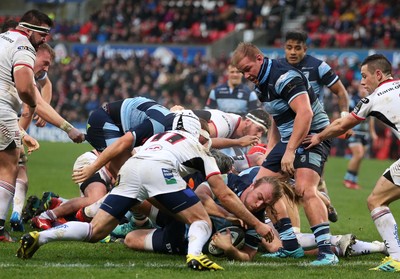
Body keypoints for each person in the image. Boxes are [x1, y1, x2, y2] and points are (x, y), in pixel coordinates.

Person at [17, 110, 274, 271]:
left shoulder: (156, 137)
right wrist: (256, 224)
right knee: (201, 220)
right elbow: (225, 195)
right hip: (159, 171)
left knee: (96, 231)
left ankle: (42, 237)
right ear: (198, 131)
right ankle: (194, 256)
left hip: (133, 166)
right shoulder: (198, 148)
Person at [231, 42, 337, 266]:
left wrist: (289, 152)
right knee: (259, 187)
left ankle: (327, 252)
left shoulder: (284, 77)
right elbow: (277, 120)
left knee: (304, 189)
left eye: (247, 68)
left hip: (313, 135)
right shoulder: (260, 83)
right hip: (289, 139)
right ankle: (290, 247)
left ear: (259, 58)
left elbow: (306, 114)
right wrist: (272, 150)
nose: (246, 75)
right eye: (242, 72)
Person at [304, 54, 400, 272]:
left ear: (378, 74)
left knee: (376, 200)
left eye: (365, 76)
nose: (362, 82)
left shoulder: (373, 99)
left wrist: (318, 137)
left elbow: (341, 125)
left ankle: (396, 258)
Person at [0, 9, 53, 242]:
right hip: (3, 109)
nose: (46, 40)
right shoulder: (24, 49)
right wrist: (33, 107)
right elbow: (27, 90)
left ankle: (13, 215)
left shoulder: (4, 42)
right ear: (30, 30)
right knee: (13, 163)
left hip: (9, 114)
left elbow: (45, 84)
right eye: (44, 34)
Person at [279, 30, 350, 195]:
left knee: (311, 176)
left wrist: (345, 118)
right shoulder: (279, 67)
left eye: (297, 48)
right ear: (284, 48)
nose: (293, 52)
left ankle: (321, 197)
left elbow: (341, 92)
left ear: (305, 48)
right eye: (289, 47)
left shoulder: (318, 66)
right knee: (287, 177)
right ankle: (322, 196)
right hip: (288, 128)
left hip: (314, 127)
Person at [11, 43, 57, 231]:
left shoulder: (30, 71)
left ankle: (14, 214)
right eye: (44, 62)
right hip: (7, 122)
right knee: (16, 169)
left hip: (10, 125)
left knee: (16, 166)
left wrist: (42, 107)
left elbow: (47, 84)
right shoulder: (16, 69)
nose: (45, 68)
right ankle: (15, 211)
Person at [31, 149, 114, 230]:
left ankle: (60, 203)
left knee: (97, 206)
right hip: (93, 161)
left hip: (104, 168)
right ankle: (45, 217)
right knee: (95, 200)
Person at [343, 82, 377, 189]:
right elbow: (347, 115)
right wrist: (348, 128)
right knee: (358, 154)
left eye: (364, 88)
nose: (363, 90)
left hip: (365, 133)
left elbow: (371, 118)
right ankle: (347, 179)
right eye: (361, 87)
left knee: (360, 157)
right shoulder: (353, 100)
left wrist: (372, 132)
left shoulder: (370, 100)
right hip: (355, 132)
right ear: (358, 88)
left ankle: (353, 180)